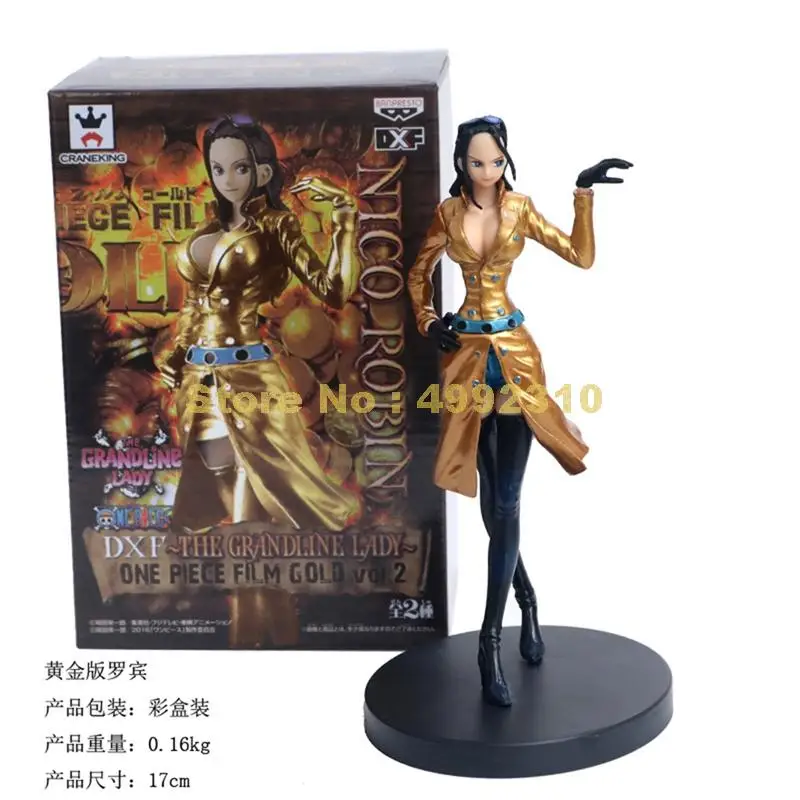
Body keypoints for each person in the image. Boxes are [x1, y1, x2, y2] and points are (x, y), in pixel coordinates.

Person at [407, 114, 631, 705]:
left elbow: (580, 256)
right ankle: (527, 601)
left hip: (514, 359)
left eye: (496, 160)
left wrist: (582, 193)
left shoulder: (520, 208)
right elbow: (417, 274)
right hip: (465, 360)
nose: (488, 170)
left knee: (506, 501)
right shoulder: (448, 214)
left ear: (506, 159)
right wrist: (428, 322)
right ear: (461, 163)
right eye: (477, 162)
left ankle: (489, 640)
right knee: (492, 503)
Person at [160, 115, 362, 646]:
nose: (228, 179)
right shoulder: (207, 232)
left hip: (252, 384)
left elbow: (334, 289)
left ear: (262, 171)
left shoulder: (275, 226)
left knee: (250, 539)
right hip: (199, 388)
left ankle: (246, 648)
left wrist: (344, 218)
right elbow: (197, 305)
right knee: (248, 535)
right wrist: (177, 352)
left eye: (241, 168)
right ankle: (279, 646)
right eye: (218, 168)